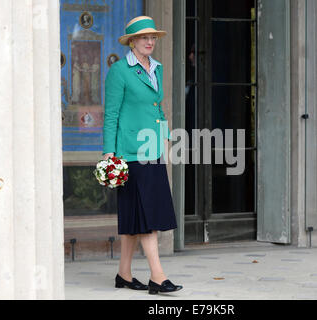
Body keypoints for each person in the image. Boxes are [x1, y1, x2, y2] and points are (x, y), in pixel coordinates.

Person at [102, 15, 182, 295]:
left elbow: (156, 106)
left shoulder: (156, 69)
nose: (150, 42)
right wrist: (109, 156)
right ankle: (158, 277)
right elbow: (111, 115)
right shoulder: (119, 71)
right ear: (132, 41)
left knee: (136, 216)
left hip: (152, 149)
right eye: (144, 37)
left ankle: (124, 274)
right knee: (147, 215)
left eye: (153, 38)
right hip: (129, 154)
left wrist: (166, 134)